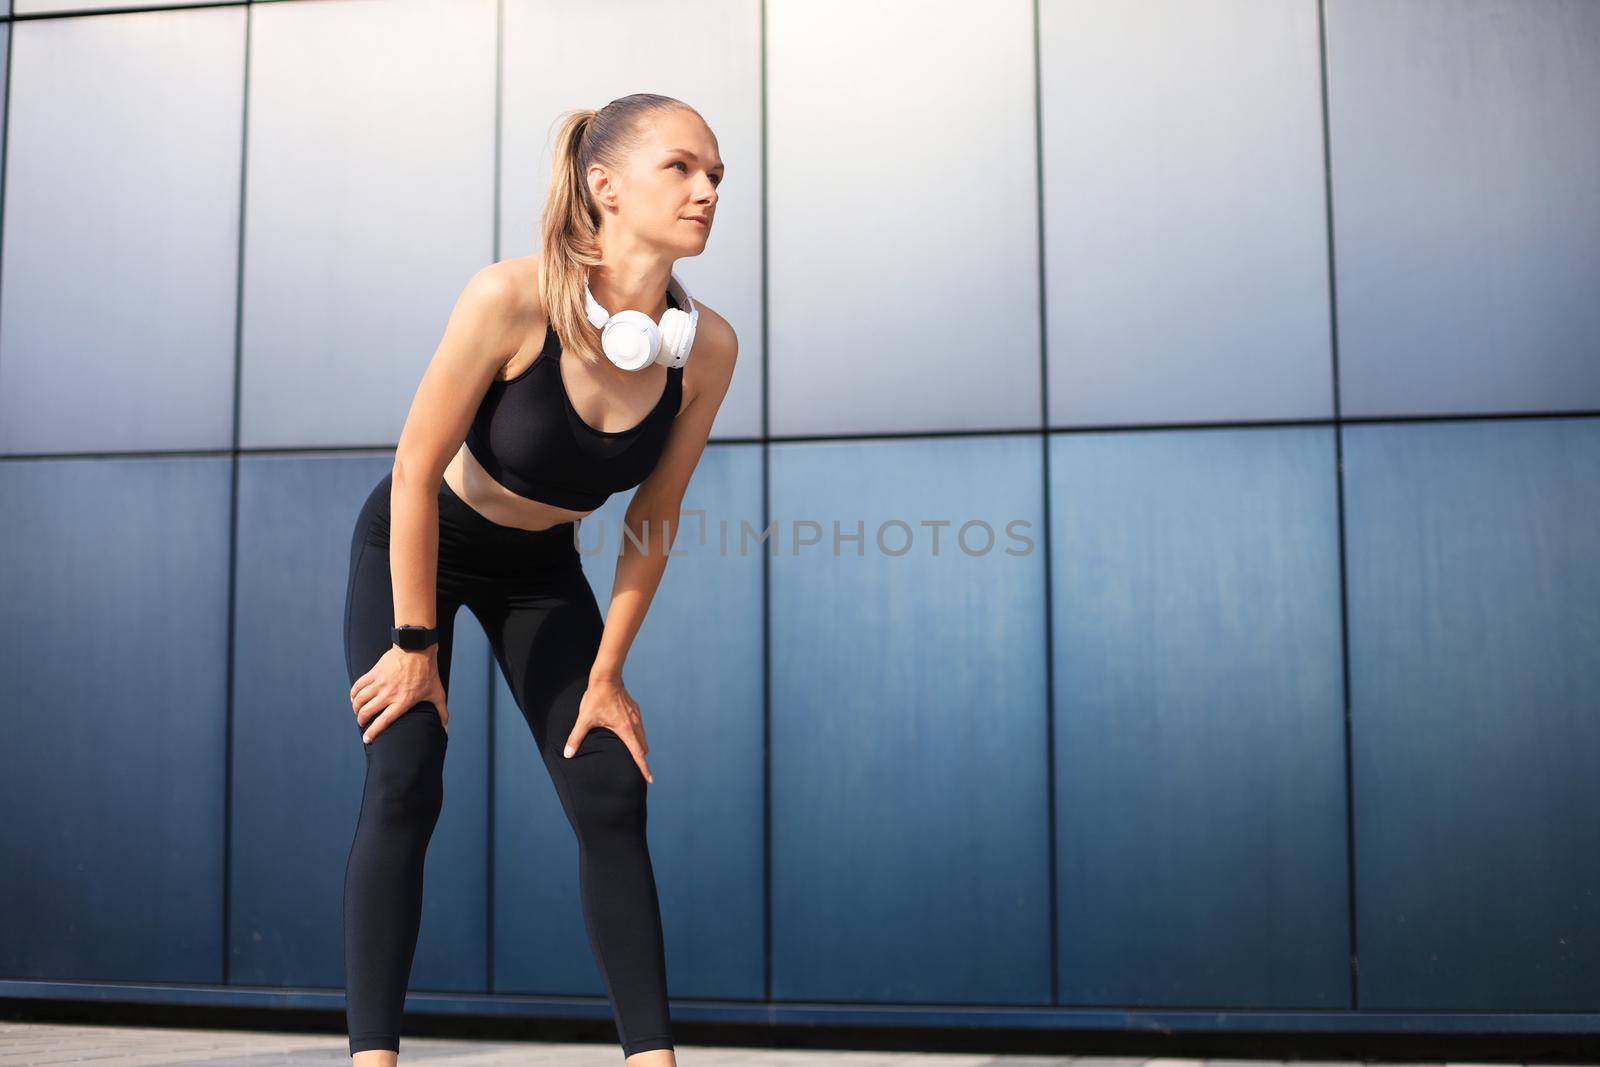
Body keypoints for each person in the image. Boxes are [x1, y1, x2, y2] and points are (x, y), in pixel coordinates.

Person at [341, 93, 737, 1066]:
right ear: (604, 185)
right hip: (420, 541)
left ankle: (652, 1057)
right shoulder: (508, 299)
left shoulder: (706, 349)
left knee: (609, 787)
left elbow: (654, 511)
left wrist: (607, 671)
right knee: (406, 769)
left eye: (717, 175)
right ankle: (372, 1056)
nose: (706, 191)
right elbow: (412, 469)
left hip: (538, 568)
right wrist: (413, 643)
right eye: (681, 167)